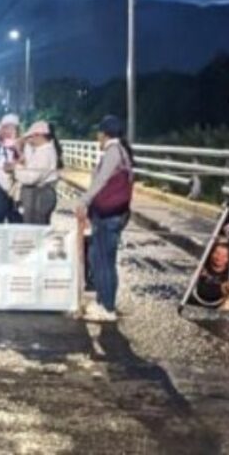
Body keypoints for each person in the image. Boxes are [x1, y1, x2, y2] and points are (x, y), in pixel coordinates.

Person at [75, 115, 135, 322]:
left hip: (108, 215)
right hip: (114, 213)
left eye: (98, 132)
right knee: (100, 259)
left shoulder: (113, 152)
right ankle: (103, 302)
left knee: (103, 261)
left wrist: (84, 201)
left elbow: (101, 180)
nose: (97, 136)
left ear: (104, 133)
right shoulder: (121, 151)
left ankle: (107, 308)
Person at [15, 121, 61, 225]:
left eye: (30, 137)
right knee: (33, 226)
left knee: (35, 228)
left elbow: (31, 178)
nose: (28, 140)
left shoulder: (45, 153)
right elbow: (28, 162)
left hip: (39, 195)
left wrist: (16, 169)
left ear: (39, 135)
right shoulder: (40, 150)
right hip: (37, 194)